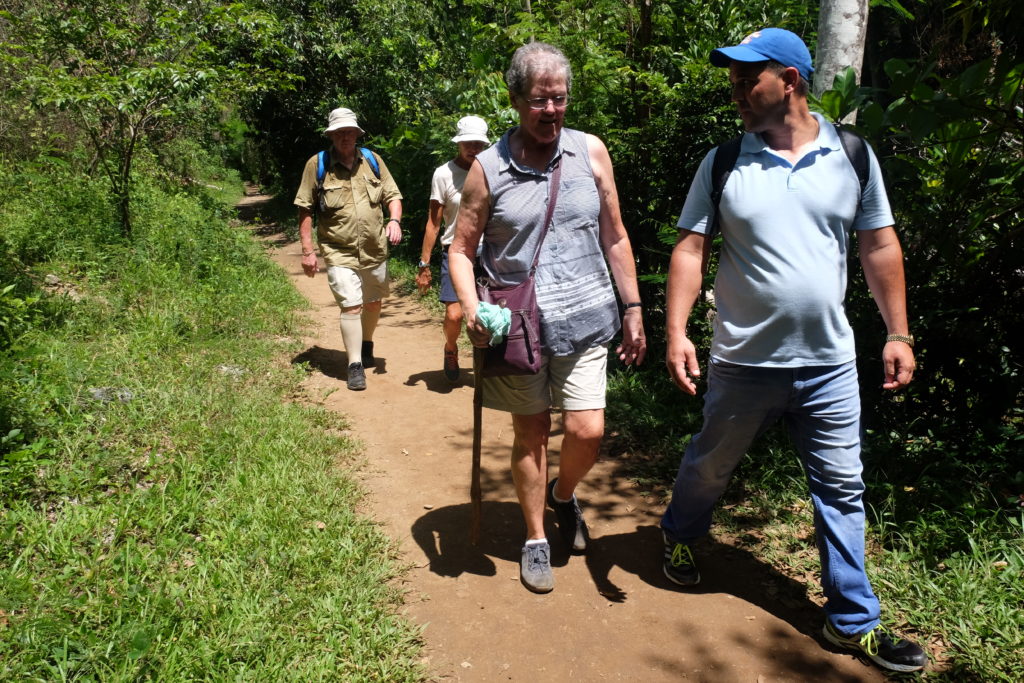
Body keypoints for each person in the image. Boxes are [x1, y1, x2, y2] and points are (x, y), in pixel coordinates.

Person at [659, 28, 926, 673]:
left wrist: (898, 332)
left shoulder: (853, 155)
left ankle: (852, 622)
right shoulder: (723, 161)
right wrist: (675, 332)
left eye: (749, 78)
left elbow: (879, 245)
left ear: (792, 80)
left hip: (829, 362)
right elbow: (691, 250)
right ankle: (681, 533)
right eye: (733, 78)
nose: (737, 90)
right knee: (710, 465)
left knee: (841, 488)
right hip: (743, 361)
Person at [449, 42, 647, 594]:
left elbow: (615, 234)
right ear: (515, 100)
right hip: (517, 326)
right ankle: (535, 535)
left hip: (586, 316)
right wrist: (470, 308)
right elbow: (461, 250)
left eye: (560, 99)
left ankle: (563, 495)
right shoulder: (487, 169)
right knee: (532, 430)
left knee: (588, 428)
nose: (552, 111)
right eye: (540, 101)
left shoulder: (591, 153)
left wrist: (633, 309)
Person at [294, 107, 403, 391]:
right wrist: (308, 251)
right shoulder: (317, 165)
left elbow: (393, 195)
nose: (345, 137)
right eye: (340, 132)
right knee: (351, 305)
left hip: (374, 248)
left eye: (350, 132)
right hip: (337, 250)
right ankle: (354, 364)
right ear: (331, 135)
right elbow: (305, 209)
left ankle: (366, 343)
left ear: (357, 134)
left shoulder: (372, 161)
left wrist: (395, 221)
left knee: (373, 302)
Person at [416, 115, 491, 382]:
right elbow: (433, 223)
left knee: (490, 314)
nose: (474, 149)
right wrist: (424, 265)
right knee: (454, 314)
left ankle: (489, 363)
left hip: (490, 253)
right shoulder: (444, 174)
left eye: (479, 144)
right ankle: (451, 348)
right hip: (456, 252)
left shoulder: (493, 171)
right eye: (468, 143)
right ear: (458, 144)